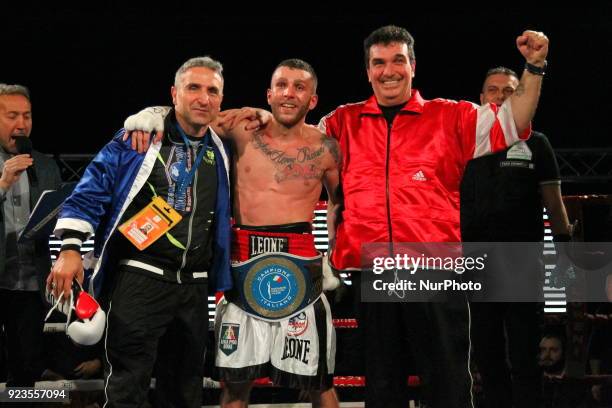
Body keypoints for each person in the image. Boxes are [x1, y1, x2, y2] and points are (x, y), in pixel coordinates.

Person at [315, 26, 548, 408]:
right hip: (373, 272)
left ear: (413, 66)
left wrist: (535, 66)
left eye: (397, 61)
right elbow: (293, 141)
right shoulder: (342, 122)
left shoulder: (450, 116)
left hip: (434, 271)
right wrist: (256, 115)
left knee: (448, 385)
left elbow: (514, 120)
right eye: (379, 63)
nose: (388, 71)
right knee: (383, 387)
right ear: (367, 70)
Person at [124, 58, 341, 408]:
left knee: (319, 383)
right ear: (269, 93)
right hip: (243, 267)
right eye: (282, 85)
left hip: (302, 268)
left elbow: (338, 205)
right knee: (235, 385)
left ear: (313, 100)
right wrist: (148, 114)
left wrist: (331, 255)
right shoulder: (242, 126)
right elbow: (191, 110)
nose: (289, 93)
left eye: (300, 87)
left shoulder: (327, 148)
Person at [47, 56, 233, 408]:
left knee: (184, 392)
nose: (203, 98)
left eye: (212, 91)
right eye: (193, 87)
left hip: (193, 287)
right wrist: (70, 248)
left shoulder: (220, 148)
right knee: (126, 389)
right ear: (174, 94)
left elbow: (264, 120)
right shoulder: (140, 137)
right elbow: (91, 189)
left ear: (221, 101)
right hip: (139, 277)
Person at [460, 66, 571, 408]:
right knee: (486, 352)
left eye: (509, 91)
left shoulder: (536, 143)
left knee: (525, 354)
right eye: (492, 90)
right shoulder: (464, 144)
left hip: (524, 263)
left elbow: (554, 203)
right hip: (475, 264)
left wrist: (565, 254)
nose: (500, 96)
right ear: (481, 98)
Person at [0, 83, 62, 386]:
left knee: (26, 375)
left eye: (27, 115)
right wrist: (3, 183)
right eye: (12, 115)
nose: (21, 124)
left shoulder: (47, 166)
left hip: (30, 286)